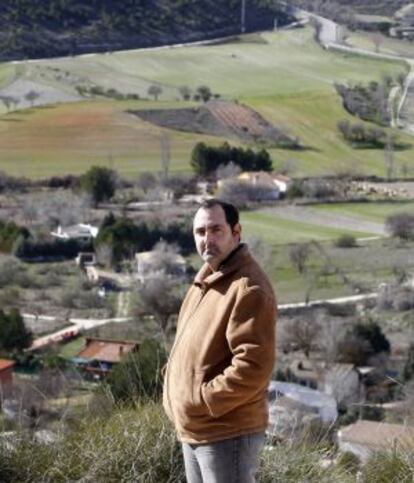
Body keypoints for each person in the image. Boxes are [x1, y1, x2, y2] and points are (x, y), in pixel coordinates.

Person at [163, 199, 277, 483]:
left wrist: (202, 400)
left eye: (216, 230)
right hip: (195, 429)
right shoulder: (206, 280)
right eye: (200, 232)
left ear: (236, 232)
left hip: (227, 432)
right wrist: (176, 389)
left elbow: (253, 367)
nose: (207, 239)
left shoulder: (249, 288)